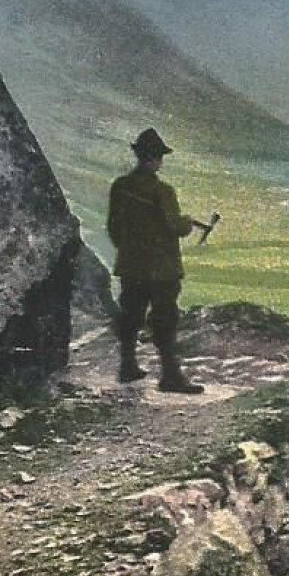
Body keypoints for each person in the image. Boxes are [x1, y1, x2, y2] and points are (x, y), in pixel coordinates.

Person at [106, 128, 206, 394]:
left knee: (131, 315)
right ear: (153, 159)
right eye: (160, 156)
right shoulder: (163, 191)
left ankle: (128, 366)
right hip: (161, 269)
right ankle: (170, 377)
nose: (160, 161)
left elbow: (113, 227)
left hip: (131, 265)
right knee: (165, 320)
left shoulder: (120, 186)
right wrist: (186, 224)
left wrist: (129, 251)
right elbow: (174, 226)